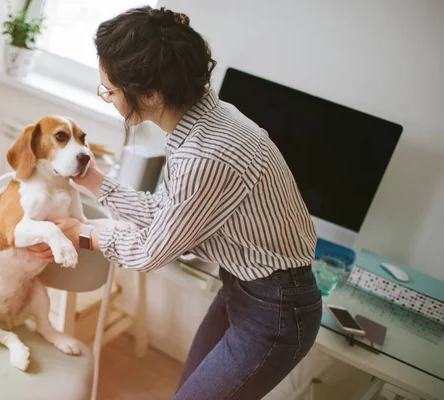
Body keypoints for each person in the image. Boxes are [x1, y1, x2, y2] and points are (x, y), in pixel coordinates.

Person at [29, 6, 322, 400]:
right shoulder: (208, 117)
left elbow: (153, 252)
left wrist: (83, 234)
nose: (109, 100)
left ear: (149, 94)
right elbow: (172, 216)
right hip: (243, 286)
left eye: (111, 91)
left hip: (276, 308)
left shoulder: (204, 154)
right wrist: (97, 182)